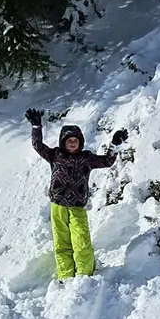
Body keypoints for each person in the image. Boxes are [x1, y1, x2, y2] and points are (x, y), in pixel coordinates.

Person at [25, 110, 127, 280]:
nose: (72, 143)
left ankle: (85, 276)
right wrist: (36, 127)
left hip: (77, 207)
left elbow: (107, 161)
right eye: (69, 140)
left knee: (82, 242)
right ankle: (65, 276)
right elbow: (38, 146)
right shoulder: (55, 155)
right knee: (61, 244)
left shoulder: (87, 158)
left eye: (76, 140)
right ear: (63, 142)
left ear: (80, 143)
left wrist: (114, 145)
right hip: (57, 206)